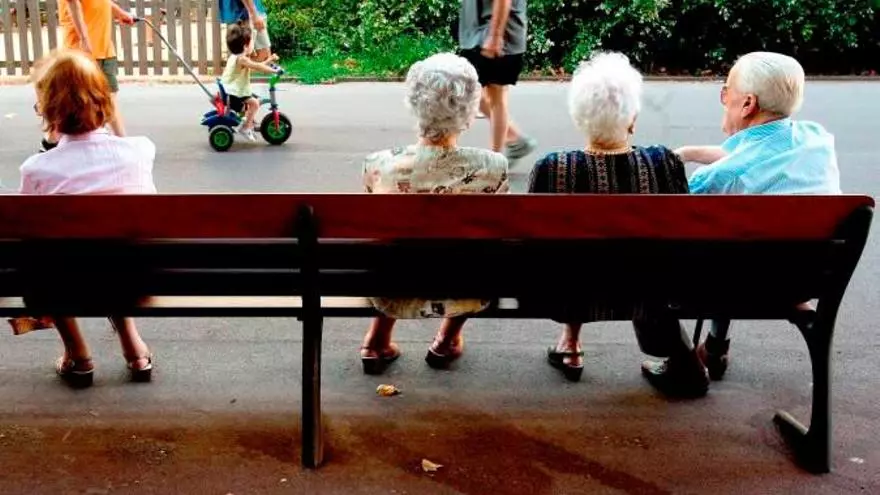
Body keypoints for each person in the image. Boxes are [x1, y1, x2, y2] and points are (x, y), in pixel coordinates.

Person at [526, 51, 708, 396]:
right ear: (632, 119)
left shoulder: (553, 168)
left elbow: (536, 248)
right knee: (646, 265)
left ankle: (570, 341)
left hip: (567, 294)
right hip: (649, 294)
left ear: (578, 117)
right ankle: (679, 360)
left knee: (574, 258)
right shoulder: (663, 163)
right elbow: (680, 239)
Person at [671, 52, 841, 381]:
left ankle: (682, 364)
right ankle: (715, 347)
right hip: (804, 280)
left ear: (748, 103)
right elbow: (756, 153)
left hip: (738, 284)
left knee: (714, 249)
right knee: (736, 243)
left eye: (726, 92)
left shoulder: (718, 179)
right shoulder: (815, 138)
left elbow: (676, 222)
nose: (724, 99)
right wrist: (691, 152)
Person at [360, 53, 510, 375]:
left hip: (393, 284)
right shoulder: (493, 167)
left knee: (390, 248)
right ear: (469, 112)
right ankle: (447, 339)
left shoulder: (378, 165)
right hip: (466, 285)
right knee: (478, 254)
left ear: (414, 104)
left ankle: (376, 340)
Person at [18, 50, 156, 388]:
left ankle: (78, 354)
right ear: (104, 101)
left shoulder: (36, 170)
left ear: (48, 111)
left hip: (61, 287)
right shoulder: (140, 151)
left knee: (46, 257)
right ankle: (134, 348)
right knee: (118, 248)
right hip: (134, 284)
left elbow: (25, 234)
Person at [41, 0, 135, 151]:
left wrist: (119, 13)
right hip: (81, 49)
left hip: (104, 47)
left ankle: (123, 144)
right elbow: (73, 3)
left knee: (108, 97)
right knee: (72, 102)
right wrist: (84, 40)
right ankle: (50, 144)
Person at [458, 0, 536, 164]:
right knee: (470, 92)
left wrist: (495, 36)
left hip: (495, 35)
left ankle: (495, 162)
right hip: (477, 35)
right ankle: (515, 139)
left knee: (496, 97)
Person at [222, 22, 282, 142]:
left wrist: (269, 60)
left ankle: (248, 119)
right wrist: (275, 71)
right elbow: (257, 67)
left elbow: (255, 66)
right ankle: (246, 127)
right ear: (245, 46)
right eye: (251, 43)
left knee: (255, 98)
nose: (253, 46)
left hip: (232, 90)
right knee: (255, 103)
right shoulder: (242, 59)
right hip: (234, 94)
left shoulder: (236, 57)